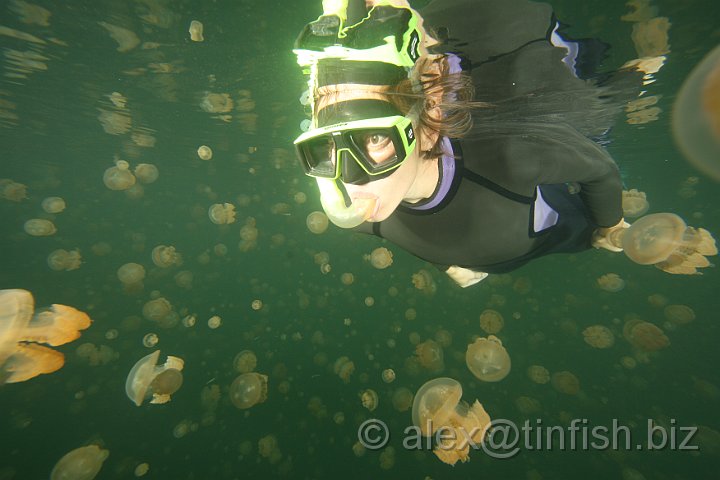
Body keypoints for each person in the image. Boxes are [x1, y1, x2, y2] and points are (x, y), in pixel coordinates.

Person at [292, 0, 640, 287]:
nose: (350, 178)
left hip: (569, 233)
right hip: (501, 250)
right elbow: (412, 232)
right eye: (327, 148)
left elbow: (600, 170)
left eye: (375, 137)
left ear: (429, 124)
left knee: (611, 93)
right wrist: (447, 263)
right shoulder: (368, 213)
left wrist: (609, 226)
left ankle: (644, 66)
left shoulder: (511, 156)